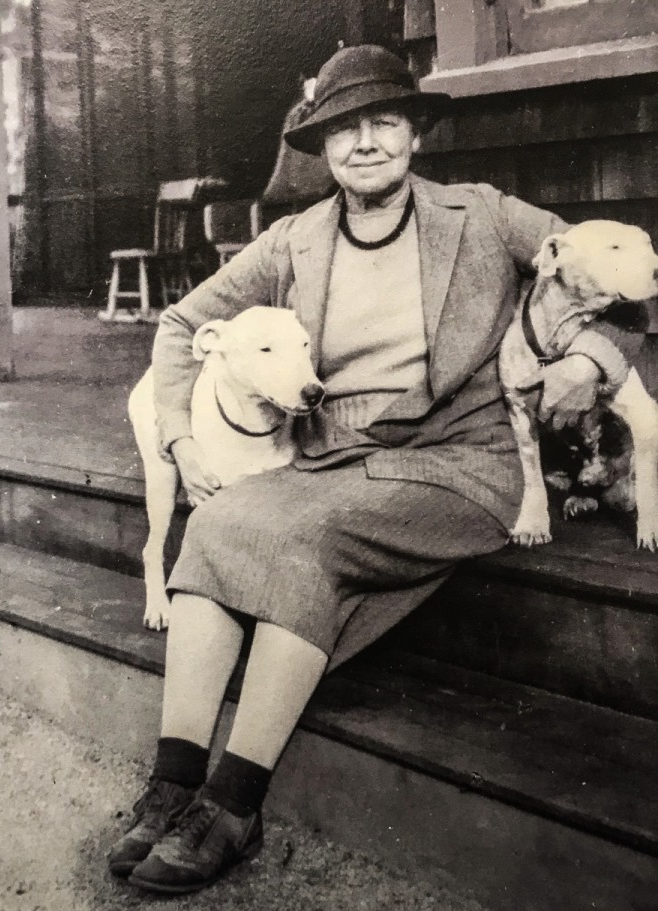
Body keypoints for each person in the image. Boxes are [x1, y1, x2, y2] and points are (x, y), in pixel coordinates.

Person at [108, 44, 640, 895]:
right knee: (214, 518)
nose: (365, 143)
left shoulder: (486, 215)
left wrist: (596, 358)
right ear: (322, 151)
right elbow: (178, 326)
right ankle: (173, 783)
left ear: (414, 136)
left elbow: (621, 268)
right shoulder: (295, 239)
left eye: (384, 122)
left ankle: (235, 803)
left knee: (295, 533)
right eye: (344, 129)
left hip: (462, 463)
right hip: (339, 458)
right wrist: (180, 438)